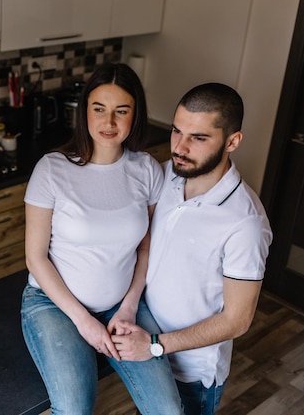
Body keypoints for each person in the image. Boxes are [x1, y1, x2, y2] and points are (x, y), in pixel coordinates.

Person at [21, 62, 183, 415]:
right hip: (54, 305)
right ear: (85, 112)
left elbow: (146, 246)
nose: (109, 122)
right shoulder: (52, 169)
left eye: (120, 111)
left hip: (122, 305)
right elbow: (36, 258)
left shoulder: (146, 171)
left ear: (134, 116)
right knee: (74, 409)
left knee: (169, 411)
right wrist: (84, 322)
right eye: (99, 109)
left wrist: (128, 306)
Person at [112, 83, 273, 415]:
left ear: (232, 141)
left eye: (198, 138)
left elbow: (237, 320)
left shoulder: (245, 223)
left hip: (192, 371)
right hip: (145, 340)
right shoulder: (168, 174)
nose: (180, 147)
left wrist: (155, 346)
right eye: (176, 131)